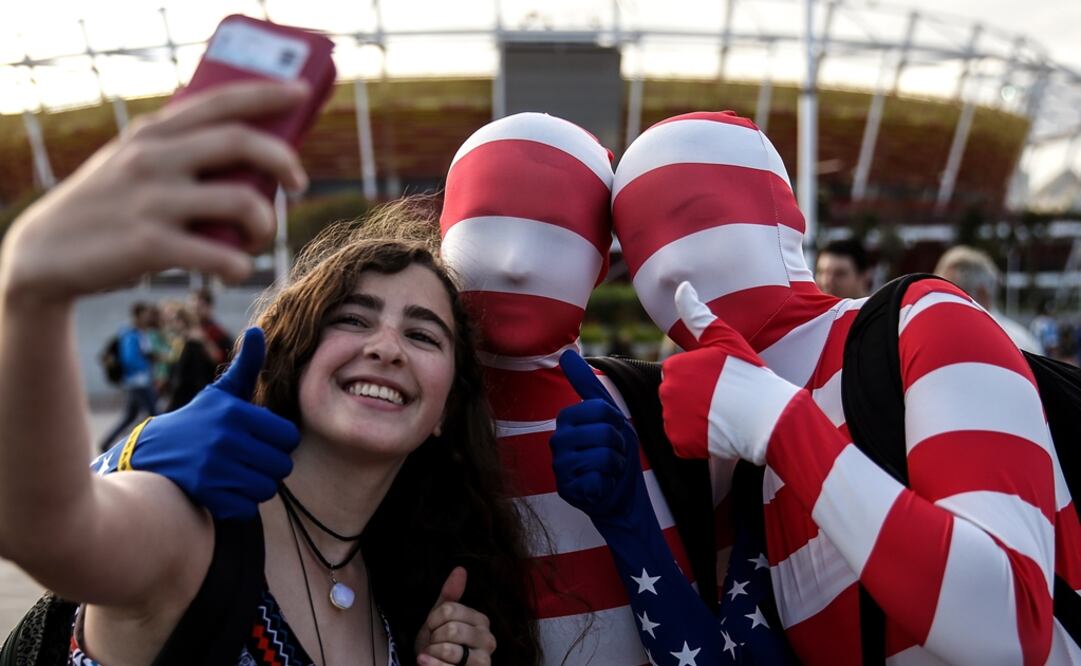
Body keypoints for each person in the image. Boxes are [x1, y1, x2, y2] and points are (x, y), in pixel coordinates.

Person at [0, 80, 537, 665]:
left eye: (422, 334)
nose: (387, 348)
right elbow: (48, 528)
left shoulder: (402, 597)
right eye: (353, 320)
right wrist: (31, 292)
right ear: (295, 357)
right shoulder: (198, 529)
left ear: (444, 413)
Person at [598, 109, 1081, 663]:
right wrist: (628, 520)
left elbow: (1013, 630)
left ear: (786, 215)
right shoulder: (727, 458)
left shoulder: (923, 322)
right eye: (636, 249)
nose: (663, 268)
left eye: (694, 216)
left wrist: (781, 426)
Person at [934, 244, 1043, 354]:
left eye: (951, 295)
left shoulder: (1018, 345)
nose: (941, 303)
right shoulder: (1023, 343)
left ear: (982, 295)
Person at [98, 301, 160, 451]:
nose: (148, 318)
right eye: (145, 315)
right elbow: (130, 358)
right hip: (138, 381)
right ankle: (151, 446)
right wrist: (147, 365)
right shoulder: (131, 334)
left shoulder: (142, 333)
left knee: (130, 416)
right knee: (155, 415)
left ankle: (106, 443)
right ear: (137, 316)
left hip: (139, 380)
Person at [163, 304, 219, 411]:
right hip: (186, 391)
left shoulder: (193, 341)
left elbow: (190, 370)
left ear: (182, 321)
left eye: (175, 320)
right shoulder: (180, 340)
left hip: (189, 391)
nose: (172, 324)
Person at [191, 286, 234, 367]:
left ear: (209, 307)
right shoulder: (188, 328)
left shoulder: (216, 332)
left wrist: (203, 340)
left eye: (198, 308)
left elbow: (220, 358)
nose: (194, 311)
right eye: (192, 308)